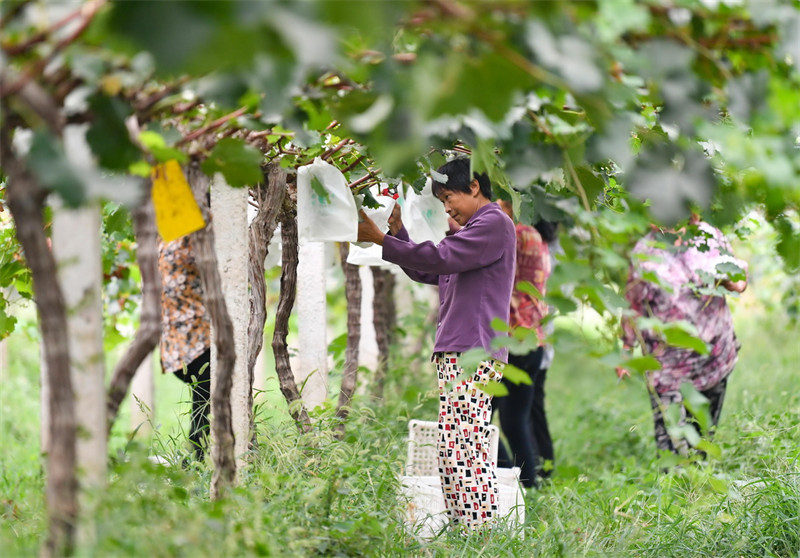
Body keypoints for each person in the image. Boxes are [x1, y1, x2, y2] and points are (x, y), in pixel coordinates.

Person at [357, 158, 516, 530]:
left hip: (471, 351)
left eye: (449, 197)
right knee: (459, 448)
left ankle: (478, 532)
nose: (446, 207)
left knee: (461, 449)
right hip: (464, 348)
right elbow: (433, 269)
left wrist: (382, 240)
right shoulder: (475, 228)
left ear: (474, 186)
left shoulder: (493, 223)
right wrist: (397, 235)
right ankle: (474, 530)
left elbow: (442, 258)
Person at [620, 215, 747, 456]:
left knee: (702, 443)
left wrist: (736, 279)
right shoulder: (645, 250)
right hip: (666, 368)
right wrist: (626, 348)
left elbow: (737, 278)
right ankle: (680, 489)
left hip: (712, 359)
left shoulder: (709, 237)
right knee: (672, 451)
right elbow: (633, 301)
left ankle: (699, 490)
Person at [493, 200, 555, 488]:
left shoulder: (518, 233)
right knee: (514, 421)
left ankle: (508, 476)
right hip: (531, 340)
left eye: (500, 200)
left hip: (514, 341)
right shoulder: (537, 237)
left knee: (477, 418)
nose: (494, 205)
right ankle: (527, 484)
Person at [158, 235, 211, 462]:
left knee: (203, 396)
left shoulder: (163, 240)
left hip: (177, 345)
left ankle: (199, 457)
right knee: (206, 392)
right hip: (193, 341)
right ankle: (200, 458)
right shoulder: (189, 242)